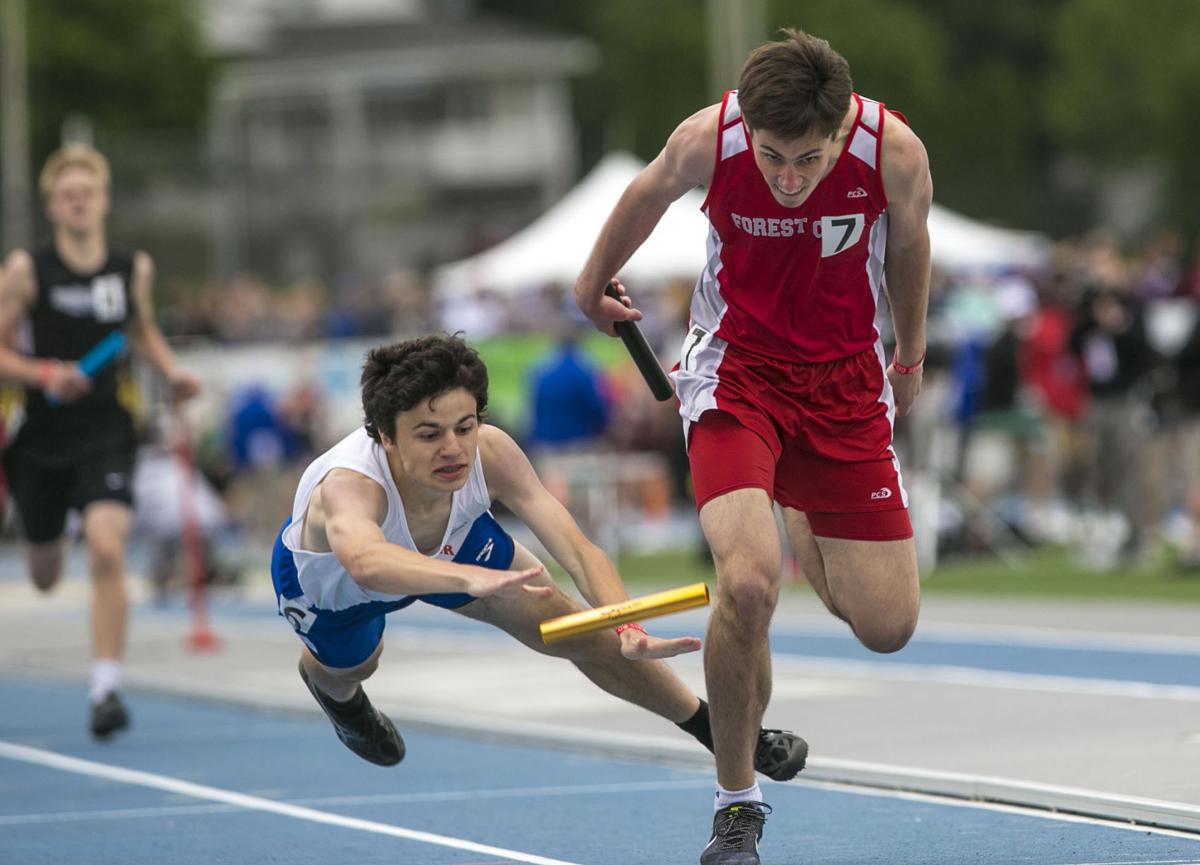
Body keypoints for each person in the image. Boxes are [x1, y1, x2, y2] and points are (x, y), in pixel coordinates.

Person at [574, 30, 932, 864]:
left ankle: (800, 503)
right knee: (746, 583)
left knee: (886, 625)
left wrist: (907, 355)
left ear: (842, 127)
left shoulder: (895, 153)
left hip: (845, 388)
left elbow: (912, 247)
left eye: (806, 159)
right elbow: (648, 190)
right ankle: (738, 804)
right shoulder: (712, 137)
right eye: (773, 157)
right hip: (738, 376)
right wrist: (590, 283)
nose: (788, 177)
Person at [270, 334, 808, 796]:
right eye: (429, 435)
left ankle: (719, 730)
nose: (454, 449)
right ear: (384, 436)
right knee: (356, 666)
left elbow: (578, 549)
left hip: (458, 546)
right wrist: (466, 577)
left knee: (578, 629)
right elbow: (367, 562)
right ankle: (335, 695)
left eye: (465, 426)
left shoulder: (490, 452)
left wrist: (628, 622)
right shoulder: (349, 486)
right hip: (336, 587)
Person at [0, 143, 202, 738]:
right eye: (68, 195)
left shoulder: (130, 268)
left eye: (88, 192)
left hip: (106, 430)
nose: (80, 202)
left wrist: (171, 373)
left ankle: (106, 686)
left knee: (109, 548)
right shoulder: (26, 270)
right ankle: (52, 526)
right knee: (42, 573)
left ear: (104, 200)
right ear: (53, 205)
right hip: (40, 436)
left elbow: (138, 328)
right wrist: (43, 374)